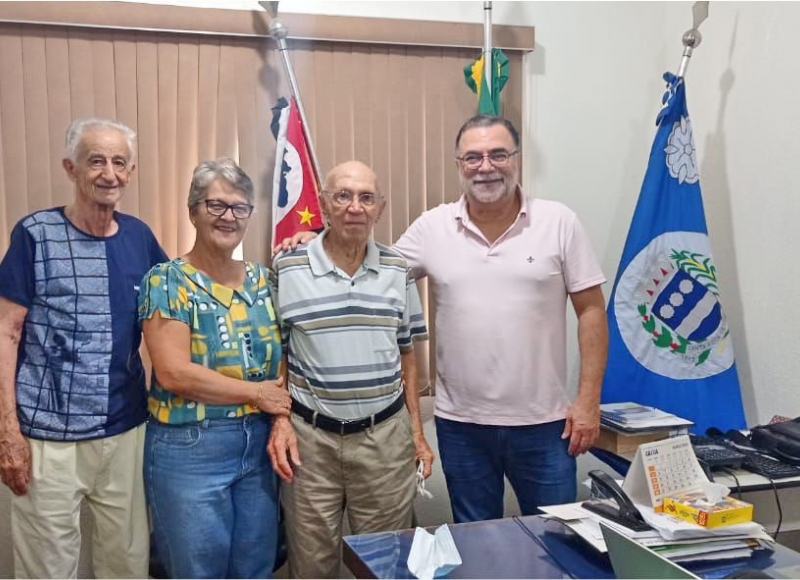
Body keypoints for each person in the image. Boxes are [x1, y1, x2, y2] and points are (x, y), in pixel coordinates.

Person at [278, 115, 608, 524]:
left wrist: (588, 401)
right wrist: (318, 239)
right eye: (473, 157)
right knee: (477, 540)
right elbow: (371, 268)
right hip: (462, 426)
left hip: (545, 424)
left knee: (556, 538)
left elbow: (591, 310)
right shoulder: (433, 226)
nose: (485, 167)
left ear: (516, 159)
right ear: (459, 165)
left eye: (498, 154)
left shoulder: (558, 222)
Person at [0, 117, 166, 578]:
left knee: (126, 564)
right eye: (96, 161)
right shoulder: (35, 234)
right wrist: (7, 431)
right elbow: (6, 333)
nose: (109, 173)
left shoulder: (139, 237)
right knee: (47, 568)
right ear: (70, 168)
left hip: (124, 429)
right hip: (47, 436)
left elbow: (180, 301)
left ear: (131, 172)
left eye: (119, 162)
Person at [267, 160, 434, 579]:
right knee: (311, 566)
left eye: (366, 198)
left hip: (384, 440)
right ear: (324, 204)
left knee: (384, 564)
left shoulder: (398, 269)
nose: (355, 207)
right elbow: (278, 356)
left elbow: (408, 356)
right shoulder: (287, 267)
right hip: (310, 443)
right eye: (343, 196)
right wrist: (281, 421)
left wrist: (416, 434)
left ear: (380, 208)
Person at [138, 158, 291, 579]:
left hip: (258, 445)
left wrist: (280, 416)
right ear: (193, 211)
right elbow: (174, 372)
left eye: (239, 207)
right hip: (190, 448)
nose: (228, 216)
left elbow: (285, 359)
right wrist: (257, 394)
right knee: (198, 571)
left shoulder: (265, 281)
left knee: (255, 569)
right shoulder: (166, 281)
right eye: (216, 205)